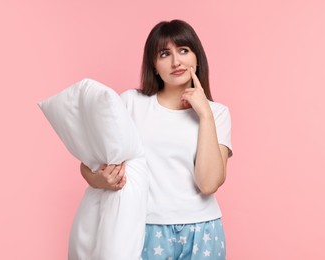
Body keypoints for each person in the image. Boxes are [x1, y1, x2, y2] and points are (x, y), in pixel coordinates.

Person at [81, 19, 232, 260]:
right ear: (154, 64)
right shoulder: (130, 103)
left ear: (196, 57)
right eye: (165, 54)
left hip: (203, 230)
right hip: (144, 226)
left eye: (183, 50)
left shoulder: (217, 113)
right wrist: (102, 180)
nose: (176, 62)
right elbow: (88, 166)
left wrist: (205, 115)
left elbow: (208, 184)